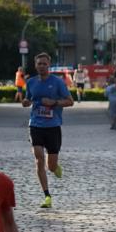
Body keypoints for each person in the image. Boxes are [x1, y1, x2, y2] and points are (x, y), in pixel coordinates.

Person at [22, 52, 73, 209]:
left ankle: (55, 167)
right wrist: (26, 102)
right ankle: (47, 195)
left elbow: (70, 101)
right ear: (35, 65)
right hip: (35, 124)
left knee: (50, 165)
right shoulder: (30, 82)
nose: (42, 66)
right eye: (39, 64)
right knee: (38, 158)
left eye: (44, 63)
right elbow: (28, 99)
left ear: (48, 65)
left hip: (53, 126)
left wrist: (54, 102)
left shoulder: (57, 82)